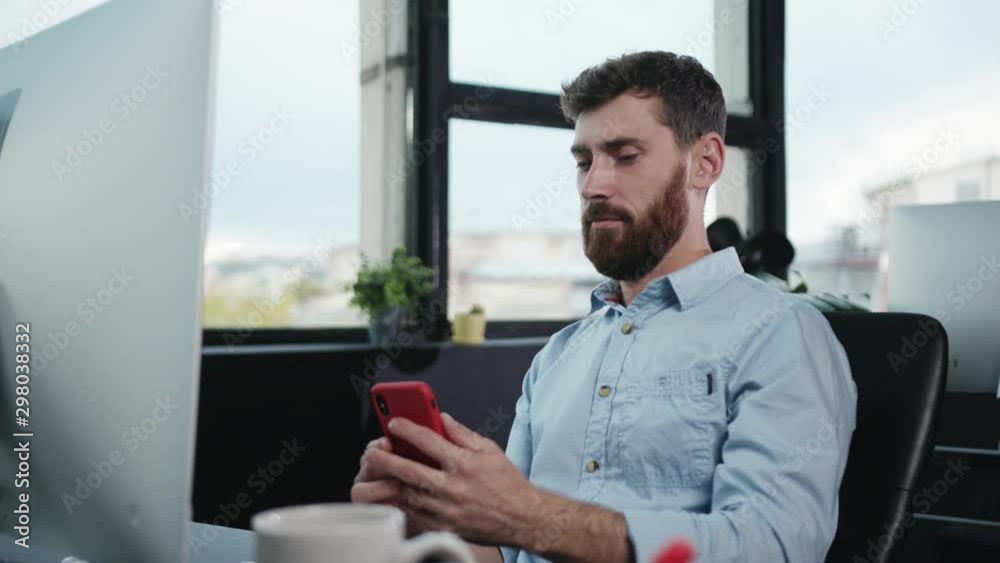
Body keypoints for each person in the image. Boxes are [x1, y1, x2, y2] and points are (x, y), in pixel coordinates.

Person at [352, 51, 858, 563]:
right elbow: (506, 551)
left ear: (704, 163)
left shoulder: (780, 333)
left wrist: (529, 516)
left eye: (625, 155)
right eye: (584, 160)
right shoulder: (558, 356)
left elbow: (771, 548)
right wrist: (436, 526)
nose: (594, 184)